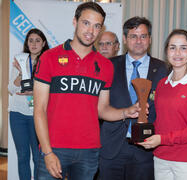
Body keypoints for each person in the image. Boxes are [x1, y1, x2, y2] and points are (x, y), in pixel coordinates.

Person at [33, 2, 140, 180]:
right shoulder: (49, 57)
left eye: (97, 25)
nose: (91, 30)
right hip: (54, 148)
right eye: (86, 23)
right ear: (75, 21)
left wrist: (126, 112)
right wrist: (47, 152)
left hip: (89, 151)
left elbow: (102, 109)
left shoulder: (105, 66)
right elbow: (39, 110)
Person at [138, 29, 187, 180]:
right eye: (172, 47)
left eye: (183, 48)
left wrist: (163, 139)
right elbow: (160, 120)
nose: (177, 53)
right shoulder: (161, 84)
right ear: (166, 52)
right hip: (161, 158)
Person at [99, 16, 167, 180]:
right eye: (133, 36)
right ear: (124, 39)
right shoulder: (109, 66)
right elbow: (100, 106)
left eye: (143, 36)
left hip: (147, 150)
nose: (138, 41)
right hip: (112, 148)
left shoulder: (164, 69)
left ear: (150, 39)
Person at [8, 28, 49, 180]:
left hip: (37, 115)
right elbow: (11, 88)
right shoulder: (19, 60)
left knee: (38, 157)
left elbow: (52, 91)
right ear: (26, 43)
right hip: (17, 114)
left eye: (37, 40)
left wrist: (34, 93)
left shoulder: (48, 62)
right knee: (22, 156)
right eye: (30, 40)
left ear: (43, 43)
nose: (33, 43)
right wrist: (21, 72)